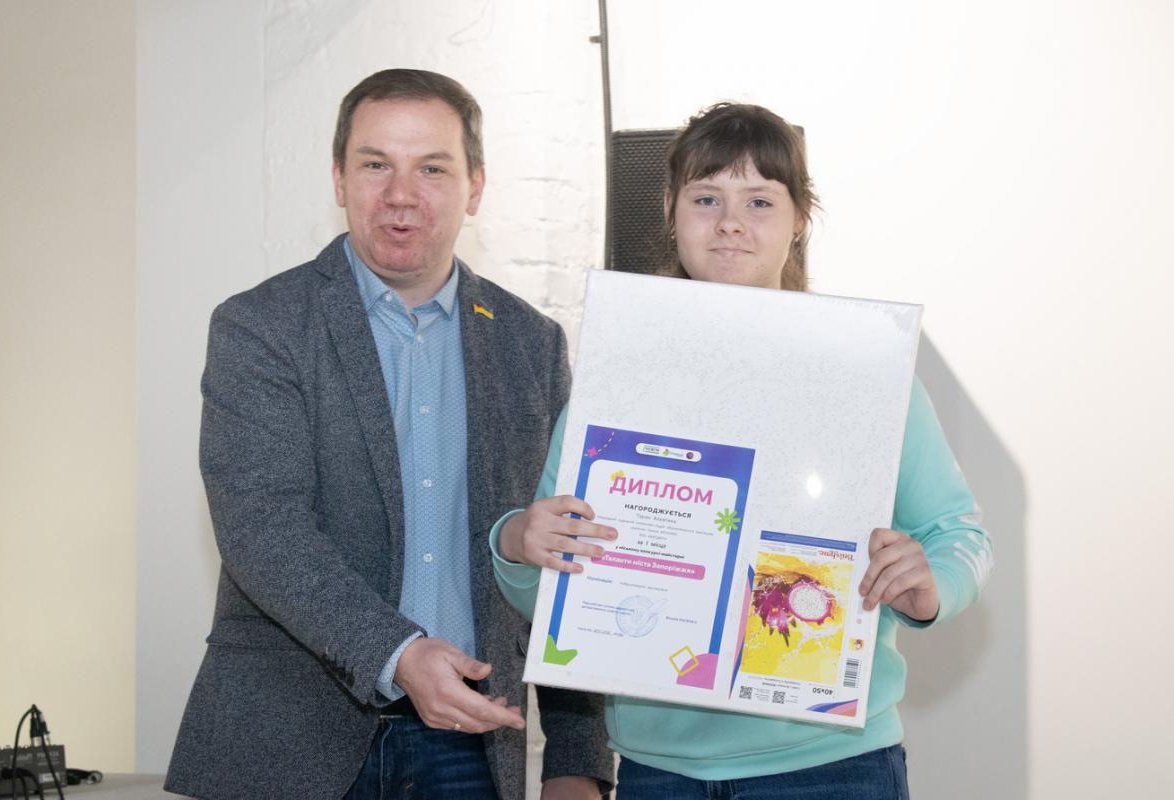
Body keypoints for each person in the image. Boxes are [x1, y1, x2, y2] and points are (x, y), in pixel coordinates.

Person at [489, 103, 994, 799]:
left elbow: (960, 534)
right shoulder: (619, 380)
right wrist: (518, 544)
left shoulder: (865, 375)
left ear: (799, 219)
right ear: (670, 212)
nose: (730, 222)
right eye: (706, 199)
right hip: (660, 774)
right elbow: (550, 581)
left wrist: (932, 583)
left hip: (833, 770)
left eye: (759, 200)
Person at [165, 69, 613, 800]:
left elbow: (565, 547)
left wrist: (575, 758)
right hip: (286, 739)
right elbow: (262, 528)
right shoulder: (261, 326)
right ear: (339, 179)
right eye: (376, 164)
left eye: (432, 168)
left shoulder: (530, 343)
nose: (401, 194)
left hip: (470, 744)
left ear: (475, 187)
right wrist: (397, 653)